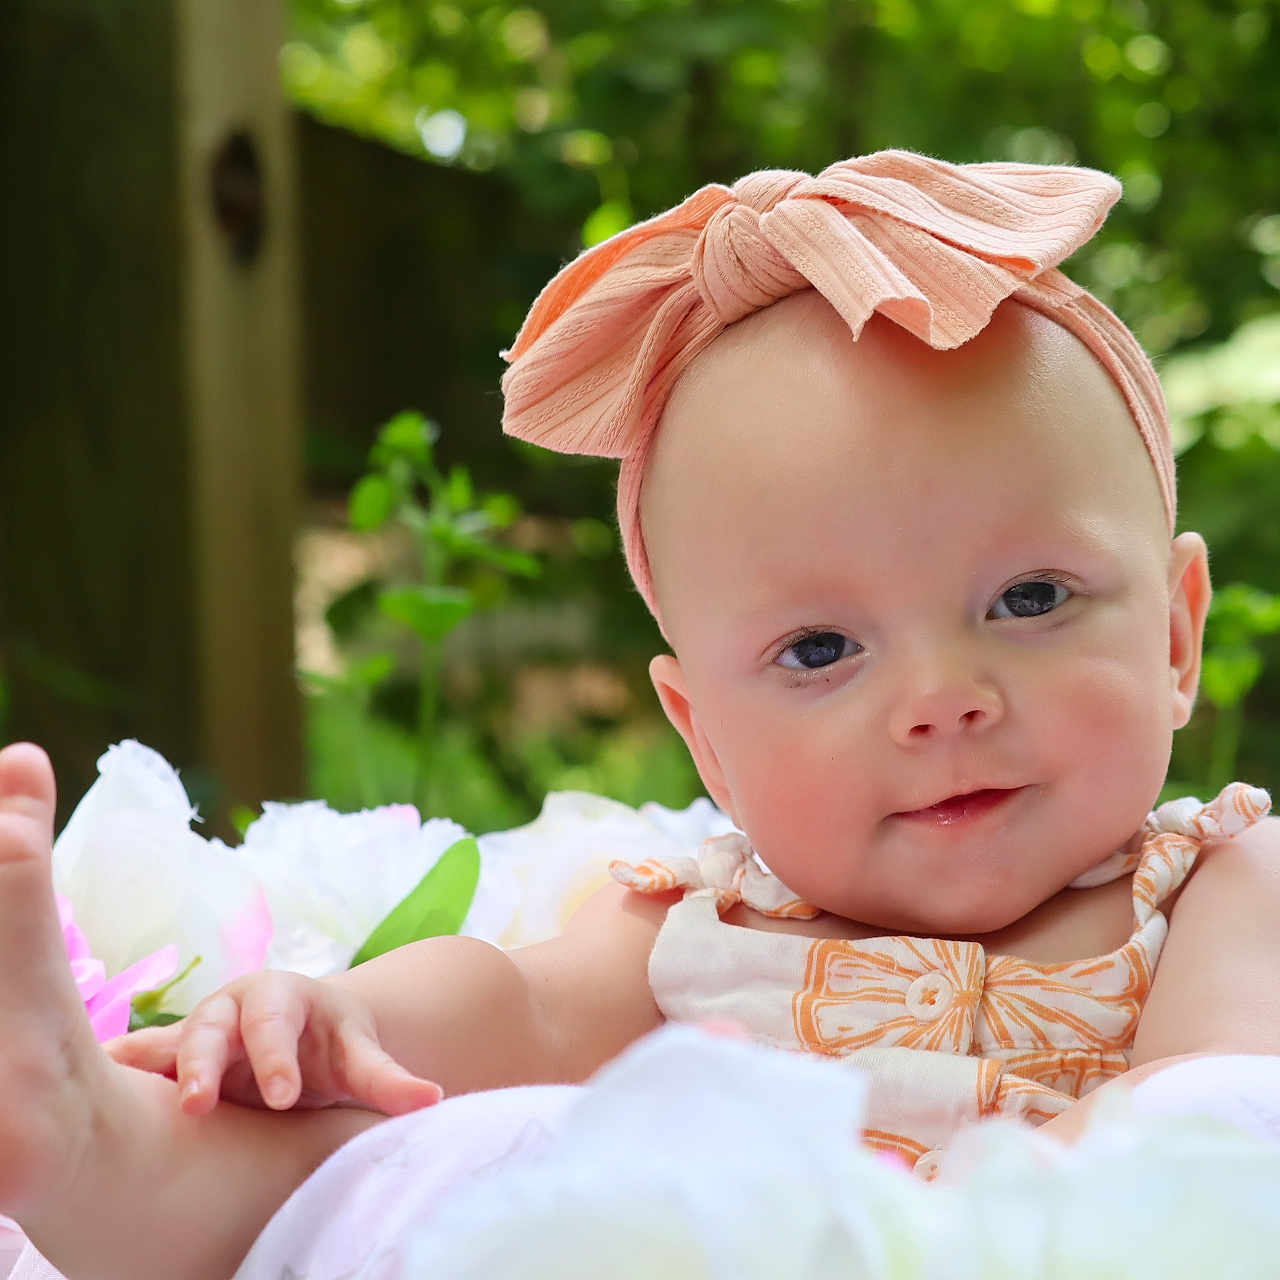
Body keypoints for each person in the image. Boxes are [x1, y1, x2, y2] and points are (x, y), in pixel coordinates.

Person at [3, 150, 1279, 1279]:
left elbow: (1211, 1106)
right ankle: (87, 1150)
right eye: (820, 647)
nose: (942, 698)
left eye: (1029, 596)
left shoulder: (1210, 889)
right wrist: (348, 1017)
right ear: (702, 735)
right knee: (419, 1142)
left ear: (1172, 634)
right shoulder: (705, 924)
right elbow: (508, 1005)